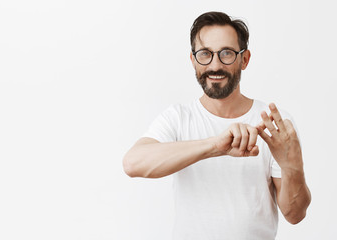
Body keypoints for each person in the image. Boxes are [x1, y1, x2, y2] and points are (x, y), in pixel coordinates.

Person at [123, 11, 311, 240]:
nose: (215, 65)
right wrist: (215, 146)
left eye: (226, 53)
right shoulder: (178, 118)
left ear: (245, 59)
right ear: (193, 60)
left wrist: (293, 165)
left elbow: (295, 214)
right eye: (205, 54)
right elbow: (133, 163)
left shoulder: (272, 125)